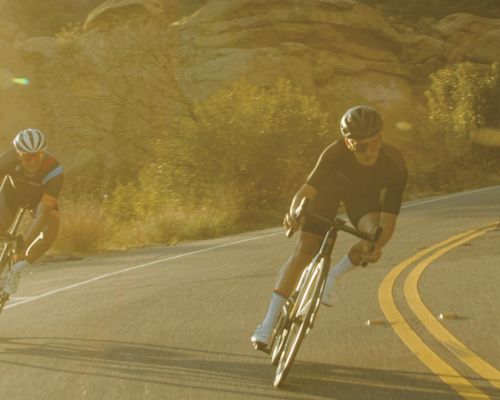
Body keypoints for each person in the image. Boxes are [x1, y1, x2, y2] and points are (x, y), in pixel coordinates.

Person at [251, 105, 407, 348]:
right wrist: (294, 213)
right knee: (305, 250)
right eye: (361, 145)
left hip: (363, 201)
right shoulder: (334, 153)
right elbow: (306, 192)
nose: (369, 151)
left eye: (374, 143)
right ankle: (267, 324)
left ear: (381, 137)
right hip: (329, 192)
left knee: (372, 238)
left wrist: (375, 247)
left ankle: (333, 276)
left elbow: (389, 218)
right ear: (348, 142)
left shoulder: (395, 161)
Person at [0, 128, 63, 295]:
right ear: (19, 155)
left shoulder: (54, 171)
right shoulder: (7, 160)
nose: (34, 161)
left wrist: (25, 247)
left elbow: (42, 215)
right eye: (29, 156)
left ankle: (18, 268)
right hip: (12, 193)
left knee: (50, 232)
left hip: (39, 199)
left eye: (38, 155)